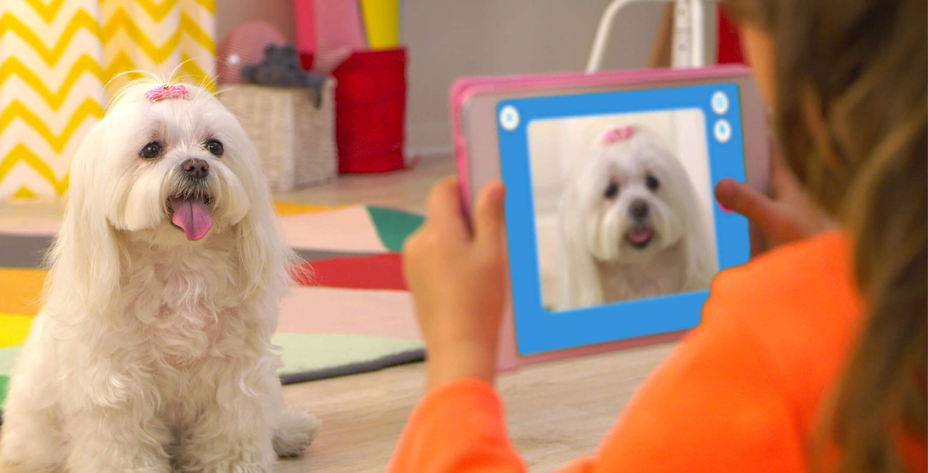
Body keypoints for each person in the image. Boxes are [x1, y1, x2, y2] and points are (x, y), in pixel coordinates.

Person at [388, 0, 926, 471]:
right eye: (613, 192)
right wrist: (826, 267)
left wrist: (458, 359)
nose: (637, 204)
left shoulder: (765, 359)